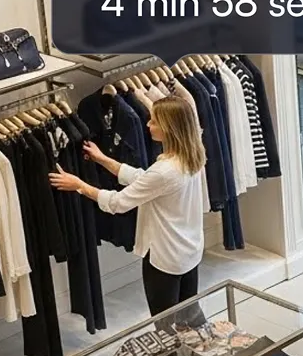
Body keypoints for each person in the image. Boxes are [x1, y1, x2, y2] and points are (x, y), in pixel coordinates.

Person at [50, 95, 205, 319]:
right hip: (188, 251)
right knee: (189, 318)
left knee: (166, 324)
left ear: (169, 128)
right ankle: (201, 351)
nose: (147, 124)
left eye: (153, 121)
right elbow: (144, 179)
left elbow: (118, 203)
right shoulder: (192, 155)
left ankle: (173, 355)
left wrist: (79, 185)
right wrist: (103, 159)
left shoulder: (164, 171)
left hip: (165, 257)